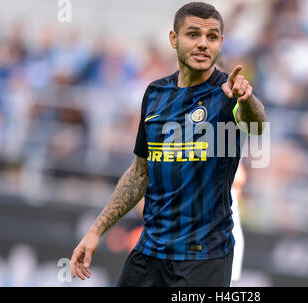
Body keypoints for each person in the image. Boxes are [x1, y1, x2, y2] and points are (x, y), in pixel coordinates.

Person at [70, 1, 266, 287]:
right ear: (174, 38)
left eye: (211, 37)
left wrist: (247, 99)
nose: (202, 44)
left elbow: (256, 125)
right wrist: (96, 230)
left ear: (221, 42)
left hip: (204, 258)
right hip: (150, 251)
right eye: (193, 34)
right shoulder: (155, 93)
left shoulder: (229, 92)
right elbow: (139, 172)